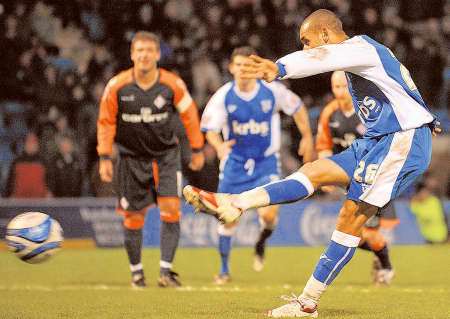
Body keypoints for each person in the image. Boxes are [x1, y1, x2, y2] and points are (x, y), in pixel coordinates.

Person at [183, 9, 440, 317]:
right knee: (313, 171)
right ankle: (234, 203)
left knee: (351, 217)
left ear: (324, 35)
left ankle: (307, 303)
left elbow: (318, 59)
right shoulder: (364, 55)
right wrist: (426, 115)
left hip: (400, 140)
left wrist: (278, 67)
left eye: (306, 41)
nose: (306, 48)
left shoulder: (359, 48)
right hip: (378, 140)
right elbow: (402, 88)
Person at [97, 31, 205, 288]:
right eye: (139, 50)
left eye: (149, 50)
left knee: (171, 211)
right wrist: (104, 156)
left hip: (166, 157)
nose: (144, 55)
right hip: (131, 159)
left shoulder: (173, 84)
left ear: (157, 54)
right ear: (132, 55)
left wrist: (198, 149)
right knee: (133, 218)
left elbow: (190, 115)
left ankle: (165, 272)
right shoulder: (117, 86)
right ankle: (137, 273)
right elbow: (105, 121)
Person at [200, 46, 314, 283]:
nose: (243, 70)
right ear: (231, 68)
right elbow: (210, 129)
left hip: (266, 163)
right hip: (235, 165)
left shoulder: (272, 91)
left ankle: (261, 240)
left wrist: (306, 136)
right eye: (239, 65)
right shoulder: (223, 96)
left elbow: (297, 107)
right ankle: (224, 270)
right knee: (227, 218)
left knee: (270, 215)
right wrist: (219, 146)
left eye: (248, 65)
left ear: (255, 68)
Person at [316, 71, 394, 285]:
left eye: (343, 86)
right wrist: (326, 175)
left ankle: (385, 267)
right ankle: (383, 263)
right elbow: (324, 147)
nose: (339, 92)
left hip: (373, 177)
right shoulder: (329, 113)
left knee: (361, 234)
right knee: (354, 235)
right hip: (349, 179)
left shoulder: (367, 110)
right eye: (335, 87)